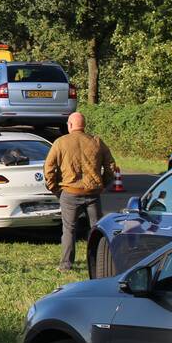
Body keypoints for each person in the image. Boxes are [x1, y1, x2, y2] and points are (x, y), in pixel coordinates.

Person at [44, 112, 116, 272]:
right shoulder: (97, 141)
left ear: (69, 125)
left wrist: (54, 188)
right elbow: (111, 165)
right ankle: (98, 261)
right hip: (93, 193)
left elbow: (49, 167)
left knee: (69, 229)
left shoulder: (60, 142)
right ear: (84, 126)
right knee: (97, 229)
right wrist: (104, 183)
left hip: (69, 192)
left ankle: (66, 265)